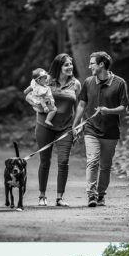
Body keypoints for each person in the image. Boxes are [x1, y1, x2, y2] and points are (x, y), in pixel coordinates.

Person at [73, 51, 129, 207]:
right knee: (92, 161)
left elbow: (124, 107)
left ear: (101, 64)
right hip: (91, 129)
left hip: (110, 132)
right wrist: (76, 125)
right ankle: (91, 195)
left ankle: (101, 194)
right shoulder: (88, 82)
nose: (89, 65)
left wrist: (109, 110)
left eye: (92, 63)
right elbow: (82, 104)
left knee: (105, 166)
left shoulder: (119, 83)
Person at [34, 53, 83, 207]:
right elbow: (32, 95)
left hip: (66, 128)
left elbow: (78, 107)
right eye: (66, 65)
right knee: (45, 161)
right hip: (44, 125)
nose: (70, 67)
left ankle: (59, 198)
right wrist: (38, 106)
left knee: (63, 161)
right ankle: (42, 196)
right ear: (59, 67)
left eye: (71, 64)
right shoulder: (46, 81)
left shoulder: (76, 84)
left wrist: (78, 125)